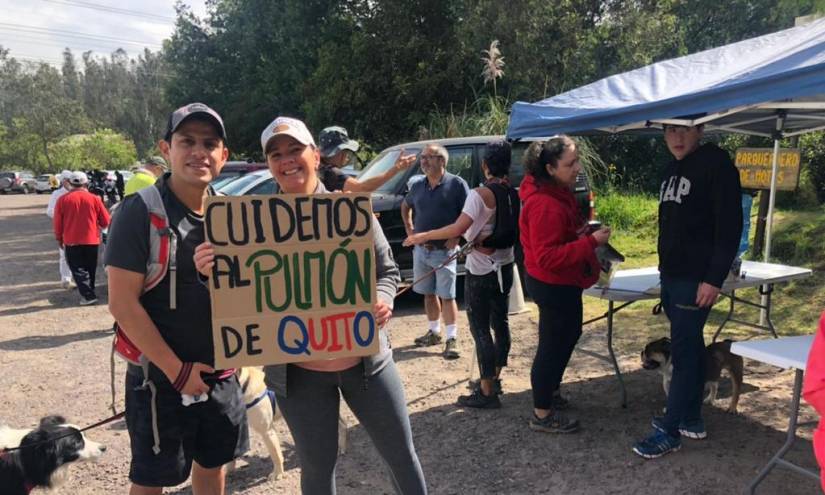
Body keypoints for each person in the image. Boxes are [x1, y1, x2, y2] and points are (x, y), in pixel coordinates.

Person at [194, 116, 426, 495]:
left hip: (368, 364)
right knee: (317, 468)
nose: (287, 160)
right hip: (298, 378)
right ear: (269, 165)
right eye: (276, 154)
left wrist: (382, 301)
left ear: (315, 156)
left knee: (401, 455)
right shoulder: (250, 226)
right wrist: (211, 273)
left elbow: (387, 271)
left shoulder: (350, 211)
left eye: (295, 150)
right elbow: (234, 299)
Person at [105, 102, 248, 494]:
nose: (199, 152)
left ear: (224, 156)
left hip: (223, 376)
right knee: (153, 480)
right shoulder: (138, 212)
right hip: (160, 381)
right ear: (166, 149)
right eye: (187, 141)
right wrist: (176, 370)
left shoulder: (236, 218)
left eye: (209, 143)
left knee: (213, 465)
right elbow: (122, 304)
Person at [632, 122, 742, 459]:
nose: (676, 137)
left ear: (700, 130)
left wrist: (713, 278)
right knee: (691, 348)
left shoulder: (716, 164)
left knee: (681, 351)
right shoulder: (670, 169)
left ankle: (669, 430)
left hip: (697, 279)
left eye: (684, 130)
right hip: (672, 276)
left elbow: (730, 226)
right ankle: (691, 419)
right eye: (670, 131)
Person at [403, 140, 517, 408]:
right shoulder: (511, 192)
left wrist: (422, 235)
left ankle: (487, 390)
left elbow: (458, 229)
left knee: (480, 329)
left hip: (482, 271)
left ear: (485, 165)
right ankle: (495, 378)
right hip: (506, 266)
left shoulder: (480, 194)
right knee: (500, 324)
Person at [520, 136, 610, 433]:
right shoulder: (544, 203)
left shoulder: (557, 192)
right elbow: (547, 257)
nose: (577, 168)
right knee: (552, 346)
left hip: (561, 282)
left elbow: (559, 238)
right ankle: (542, 414)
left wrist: (582, 232)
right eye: (570, 164)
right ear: (550, 167)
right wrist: (589, 243)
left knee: (567, 335)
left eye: (577, 160)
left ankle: (550, 395)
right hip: (552, 283)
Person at [401, 143, 470, 359]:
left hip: (444, 251)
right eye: (422, 158)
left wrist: (457, 235)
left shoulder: (457, 184)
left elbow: (469, 213)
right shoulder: (418, 186)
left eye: (428, 157)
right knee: (428, 294)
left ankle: (452, 339)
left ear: (442, 160)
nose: (423, 162)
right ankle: (434, 332)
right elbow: (405, 206)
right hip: (421, 251)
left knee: (447, 295)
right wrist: (409, 229)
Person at [53, 171, 111, 305]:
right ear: (86, 183)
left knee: (77, 268)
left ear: (70, 183)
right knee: (90, 267)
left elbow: (57, 223)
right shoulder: (95, 199)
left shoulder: (62, 200)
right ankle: (89, 290)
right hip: (92, 239)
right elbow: (106, 221)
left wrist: (59, 238)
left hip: (71, 240)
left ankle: (88, 295)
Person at [318, 125, 415, 192]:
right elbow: (362, 188)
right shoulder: (332, 173)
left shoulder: (317, 168)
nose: (347, 155)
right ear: (339, 152)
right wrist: (396, 169)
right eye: (346, 151)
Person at [46, 170, 75, 289]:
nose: (70, 183)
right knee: (64, 255)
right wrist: (64, 217)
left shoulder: (78, 192)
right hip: (64, 228)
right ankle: (66, 279)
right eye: (68, 180)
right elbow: (49, 211)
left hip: (78, 228)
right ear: (63, 181)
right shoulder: (57, 194)